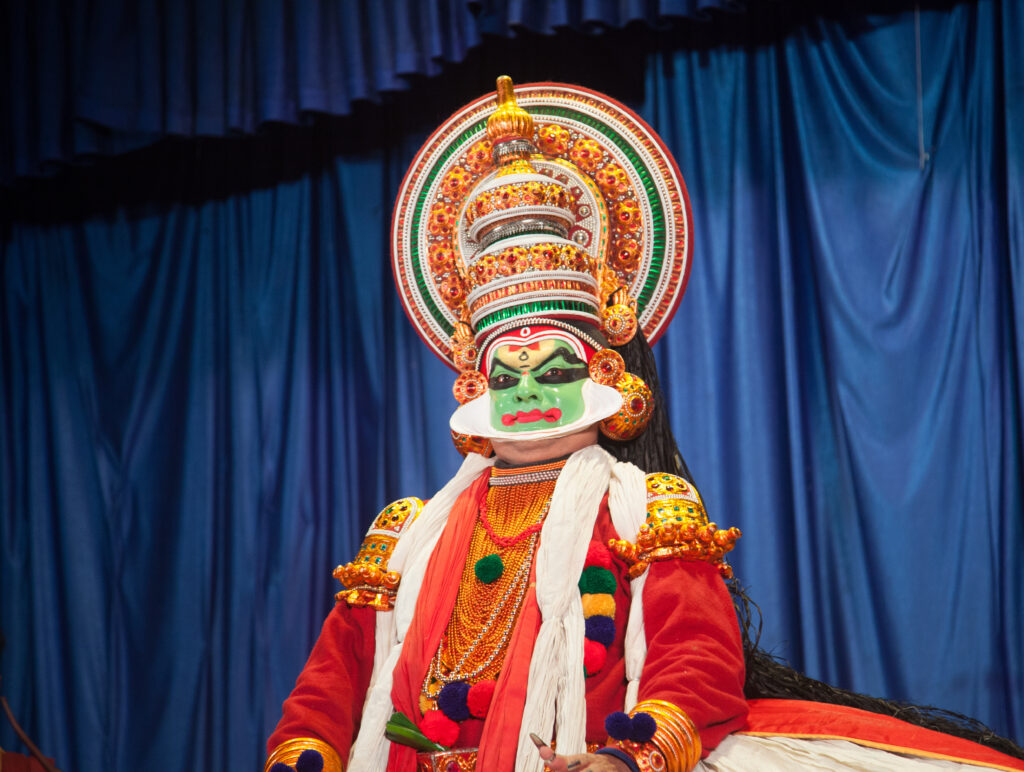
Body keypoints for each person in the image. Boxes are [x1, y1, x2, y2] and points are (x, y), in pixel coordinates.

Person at [265, 78, 1024, 772]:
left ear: (604, 376)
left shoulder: (645, 509)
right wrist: (307, 754)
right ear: (474, 385)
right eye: (507, 373)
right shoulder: (407, 534)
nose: (527, 390)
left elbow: (695, 662)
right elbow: (330, 688)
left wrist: (629, 759)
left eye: (553, 369)